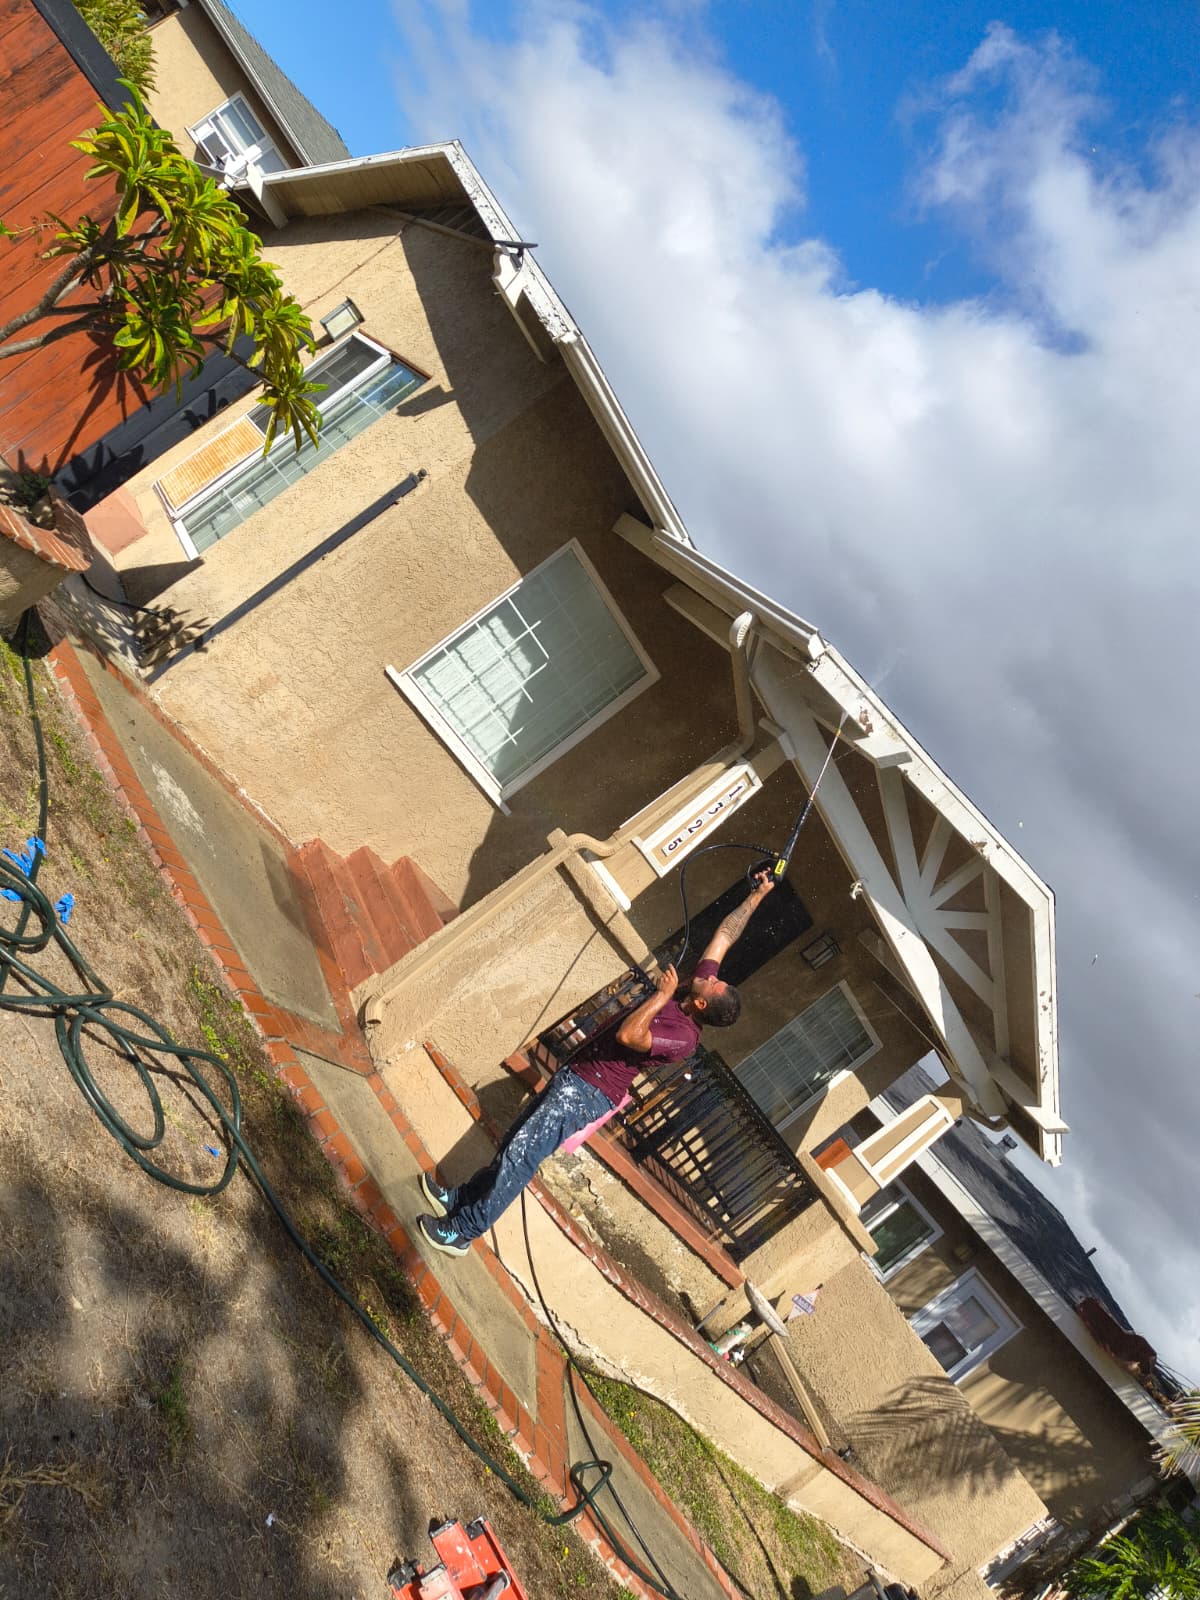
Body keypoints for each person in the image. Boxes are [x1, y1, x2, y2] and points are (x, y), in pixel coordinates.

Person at [416, 870, 776, 1256]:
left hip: (590, 1092)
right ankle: (464, 1198)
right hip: (579, 1074)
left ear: (702, 1003)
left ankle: (464, 1231)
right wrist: (757, 896)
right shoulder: (695, 989)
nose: (713, 976)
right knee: (515, 1141)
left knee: (522, 1155)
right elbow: (725, 936)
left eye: (715, 984)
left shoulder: (684, 1037)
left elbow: (629, 1036)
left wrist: (661, 996)